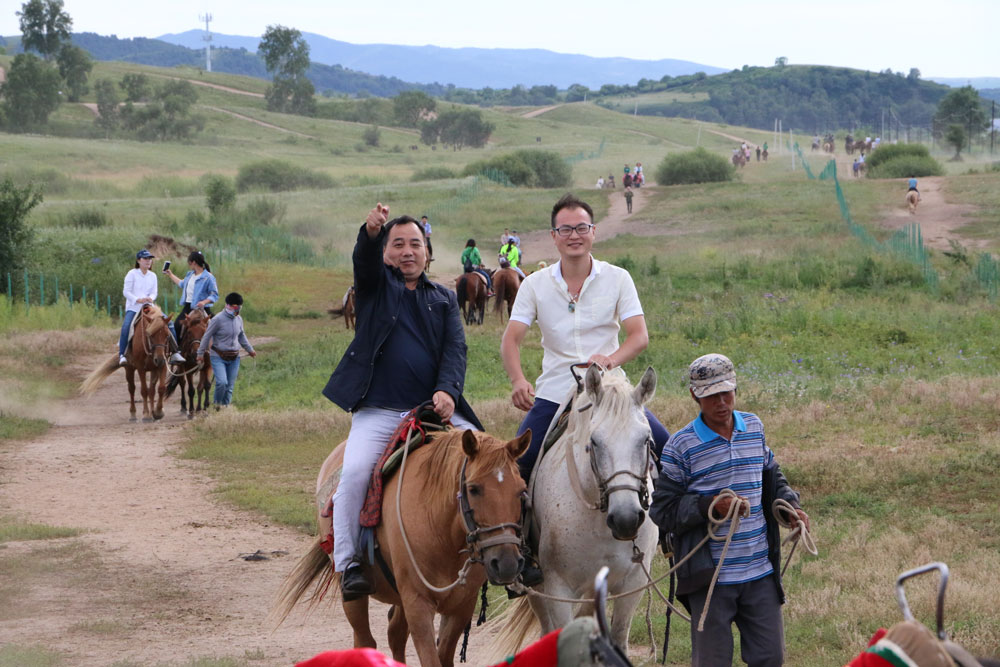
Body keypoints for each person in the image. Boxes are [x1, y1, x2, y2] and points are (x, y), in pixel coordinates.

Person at [322, 203, 483, 600]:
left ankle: (504, 552)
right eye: (397, 244)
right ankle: (350, 563)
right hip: (378, 410)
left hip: (432, 409)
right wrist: (371, 233)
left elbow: (455, 351)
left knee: (492, 461)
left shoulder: (444, 300)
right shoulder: (376, 287)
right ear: (386, 252)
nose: (407, 251)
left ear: (427, 252)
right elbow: (365, 260)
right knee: (356, 473)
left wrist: (447, 390)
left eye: (415, 244)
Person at [650, 353, 808, 667]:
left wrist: (789, 507)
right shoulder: (681, 446)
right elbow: (662, 511)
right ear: (695, 395)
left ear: (735, 389)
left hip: (760, 572)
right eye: (711, 396)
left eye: (726, 393)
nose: (721, 402)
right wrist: (710, 506)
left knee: (771, 659)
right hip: (710, 580)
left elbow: (771, 476)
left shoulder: (754, 426)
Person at [200, 292, 256, 409]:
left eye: (239, 307)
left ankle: (225, 407)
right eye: (235, 307)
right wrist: (200, 353)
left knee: (230, 386)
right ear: (228, 306)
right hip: (218, 356)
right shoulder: (217, 319)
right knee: (222, 382)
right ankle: (217, 404)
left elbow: (241, 336)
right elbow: (206, 336)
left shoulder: (239, 319)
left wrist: (250, 350)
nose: (237, 310)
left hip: (234, 357)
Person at [165, 250, 218, 363]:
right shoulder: (190, 275)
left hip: (203, 308)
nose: (189, 265)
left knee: (218, 327)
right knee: (177, 326)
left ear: (194, 262)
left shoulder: (208, 277)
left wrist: (204, 302)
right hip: (188, 307)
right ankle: (177, 352)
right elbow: (181, 284)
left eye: (189, 262)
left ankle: (219, 351)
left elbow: (214, 294)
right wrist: (170, 274)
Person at [119, 249, 162, 367]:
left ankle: (175, 351)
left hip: (149, 307)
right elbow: (126, 292)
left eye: (150, 259)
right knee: (126, 326)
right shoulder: (131, 273)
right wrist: (138, 299)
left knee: (168, 323)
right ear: (139, 261)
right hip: (134, 307)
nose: (148, 261)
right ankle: (122, 354)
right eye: (145, 259)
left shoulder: (153, 275)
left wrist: (150, 298)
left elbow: (155, 292)